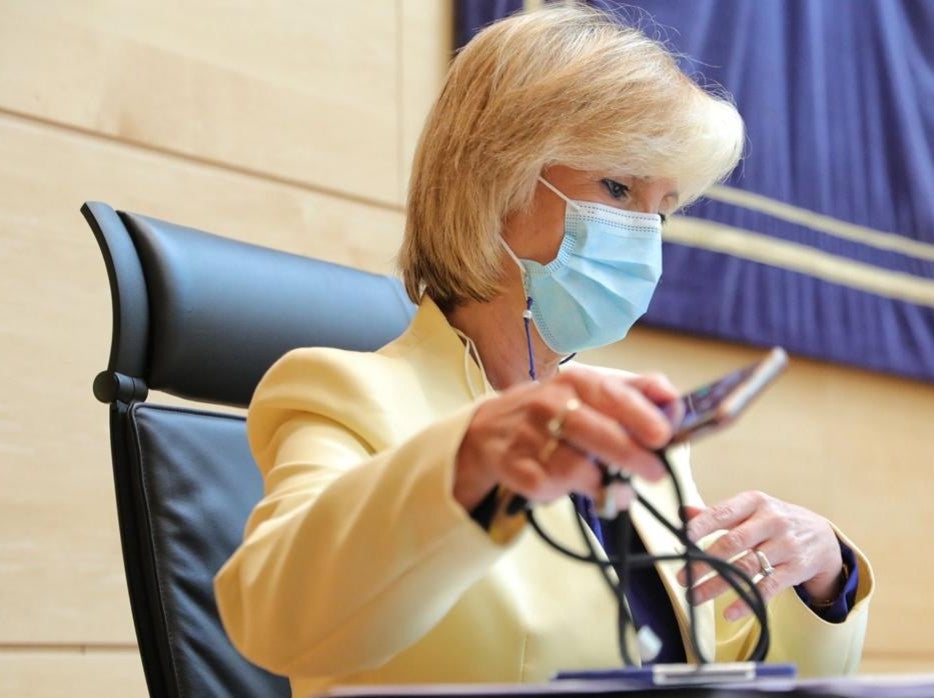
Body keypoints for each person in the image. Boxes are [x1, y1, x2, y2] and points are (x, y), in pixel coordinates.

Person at [215, 5, 873, 695]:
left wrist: (822, 573)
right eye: (618, 186)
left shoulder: (628, 418)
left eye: (662, 207)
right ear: (494, 182)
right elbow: (273, 617)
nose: (643, 234)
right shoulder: (343, 394)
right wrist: (470, 459)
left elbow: (711, 653)